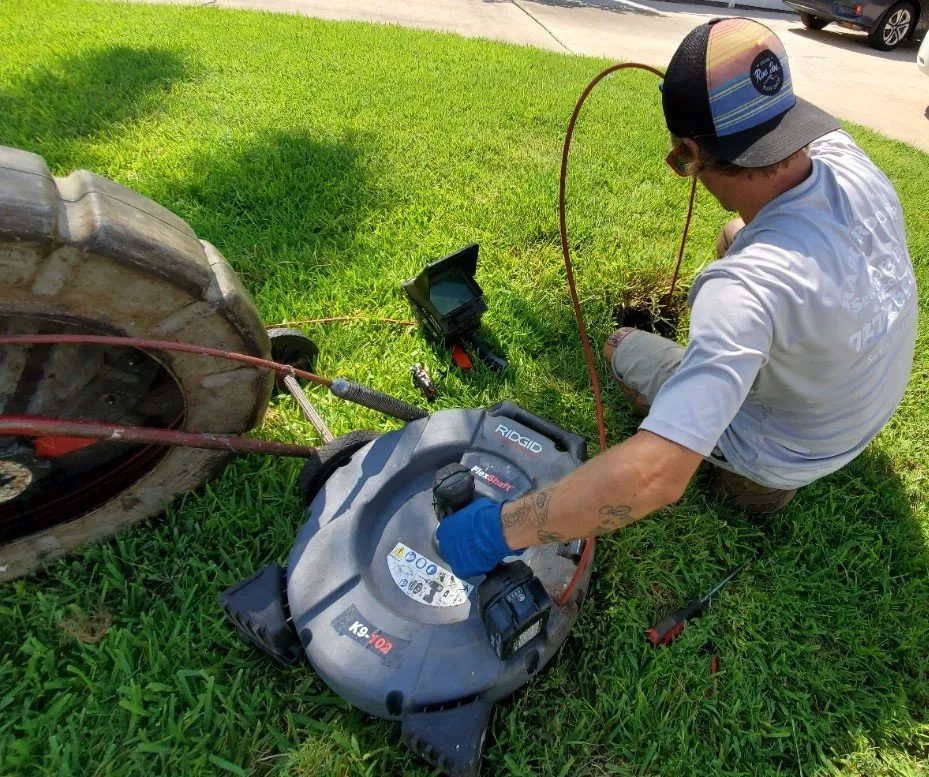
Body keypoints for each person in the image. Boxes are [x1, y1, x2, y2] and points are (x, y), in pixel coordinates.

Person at [436, 17, 917, 580]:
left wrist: (498, 530)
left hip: (786, 451)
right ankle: (730, 390)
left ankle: (755, 483)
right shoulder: (845, 157)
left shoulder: (745, 291)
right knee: (735, 233)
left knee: (621, 346)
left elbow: (654, 477)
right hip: (861, 406)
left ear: (691, 155)